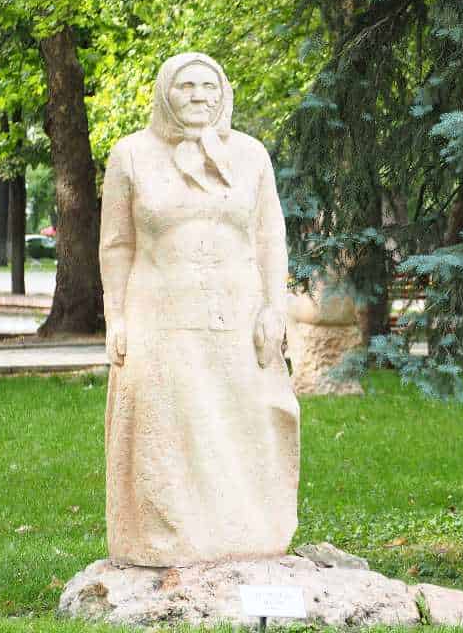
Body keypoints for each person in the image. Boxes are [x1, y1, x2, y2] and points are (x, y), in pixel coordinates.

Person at [99, 52, 299, 567]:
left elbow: (270, 236)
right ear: (166, 92)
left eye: (209, 86)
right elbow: (117, 244)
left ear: (224, 93)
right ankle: (166, 540)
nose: (198, 96)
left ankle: (245, 534)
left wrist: (274, 307)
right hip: (158, 314)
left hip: (235, 314)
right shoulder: (131, 155)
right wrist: (116, 317)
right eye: (186, 86)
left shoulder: (251, 156)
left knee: (240, 421)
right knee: (165, 428)